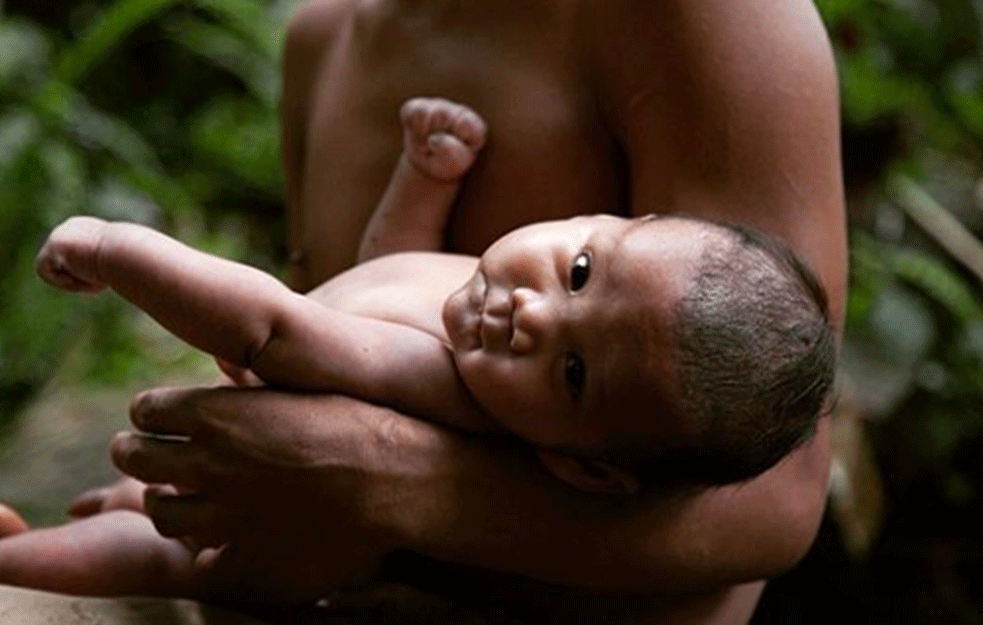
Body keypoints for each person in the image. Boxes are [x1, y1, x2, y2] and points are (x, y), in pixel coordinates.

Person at [0, 0, 847, 623]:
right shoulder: (324, 35)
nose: (530, 315)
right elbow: (363, 288)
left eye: (574, 368)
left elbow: (777, 494)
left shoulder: (710, 19)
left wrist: (381, 475)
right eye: (581, 269)